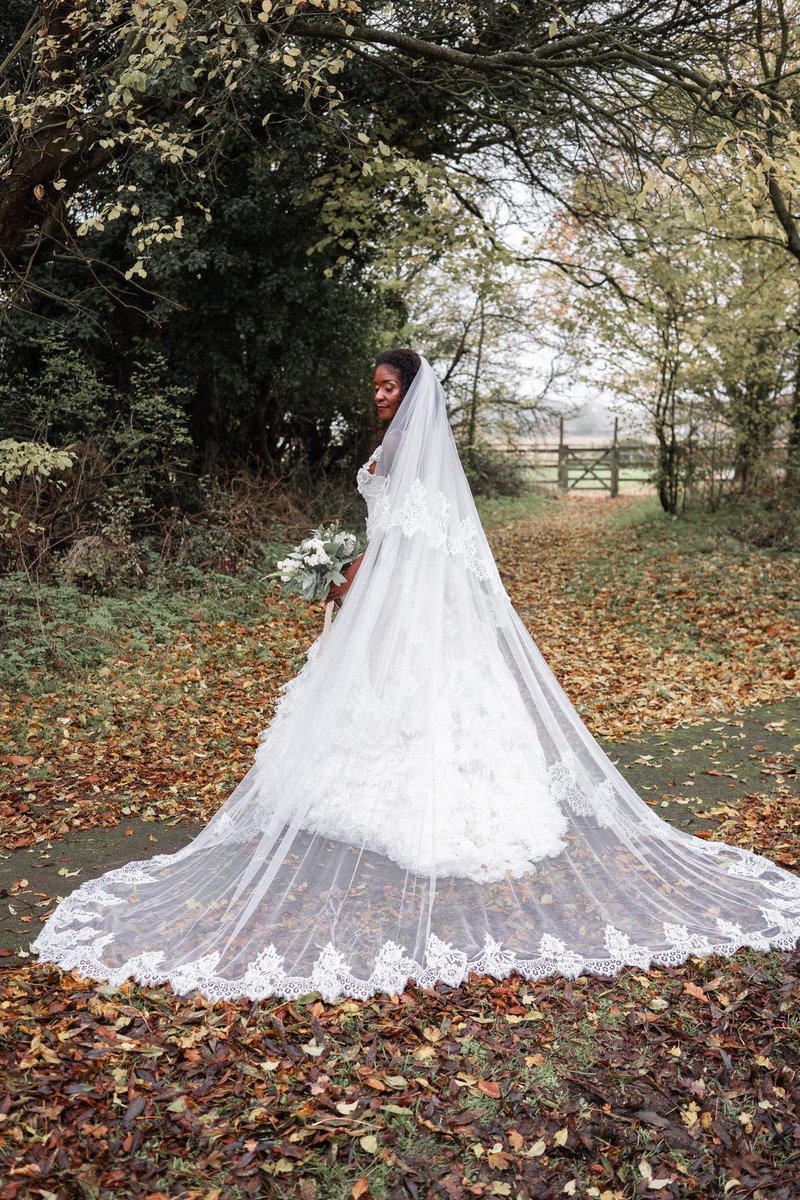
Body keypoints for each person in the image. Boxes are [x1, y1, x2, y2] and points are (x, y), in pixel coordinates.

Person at [31, 351, 800, 1004]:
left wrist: (341, 578)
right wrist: (345, 573)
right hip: (396, 604)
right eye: (374, 387)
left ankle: (442, 815)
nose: (377, 395)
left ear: (414, 394)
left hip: (408, 612)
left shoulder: (410, 456)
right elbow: (394, 540)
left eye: (389, 387)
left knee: (421, 710)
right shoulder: (403, 452)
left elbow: (404, 547)